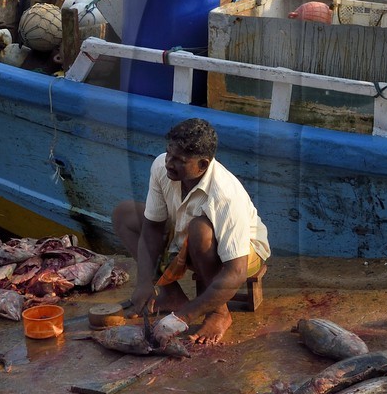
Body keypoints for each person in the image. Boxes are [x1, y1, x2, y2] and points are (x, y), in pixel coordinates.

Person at [113, 118, 271, 347]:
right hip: (185, 239)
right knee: (124, 214)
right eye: (169, 154)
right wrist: (145, 282)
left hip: (244, 254)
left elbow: (236, 272)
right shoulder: (161, 167)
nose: (169, 162)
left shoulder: (225, 194)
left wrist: (184, 316)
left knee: (200, 230)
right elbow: (152, 229)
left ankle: (219, 313)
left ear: (203, 165)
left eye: (179, 160)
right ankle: (171, 295)